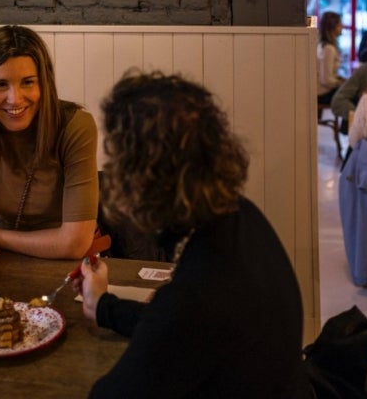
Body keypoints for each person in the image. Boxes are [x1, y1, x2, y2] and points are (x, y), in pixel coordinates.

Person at [77, 70, 314, 398]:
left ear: (143, 178)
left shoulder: (200, 292)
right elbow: (178, 331)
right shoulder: (239, 215)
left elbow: (111, 392)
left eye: (118, 159)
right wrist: (104, 306)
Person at [0, 25, 99, 294]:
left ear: (44, 82)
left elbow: (75, 243)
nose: (14, 99)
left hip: (68, 274)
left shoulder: (77, 126)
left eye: (28, 82)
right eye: (0, 84)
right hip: (4, 267)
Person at [317, 11, 346, 111]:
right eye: (340, 24)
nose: (342, 26)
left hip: (320, 90)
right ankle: (347, 125)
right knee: (351, 95)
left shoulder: (323, 46)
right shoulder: (329, 49)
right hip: (322, 93)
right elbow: (326, 80)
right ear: (333, 27)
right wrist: (340, 83)